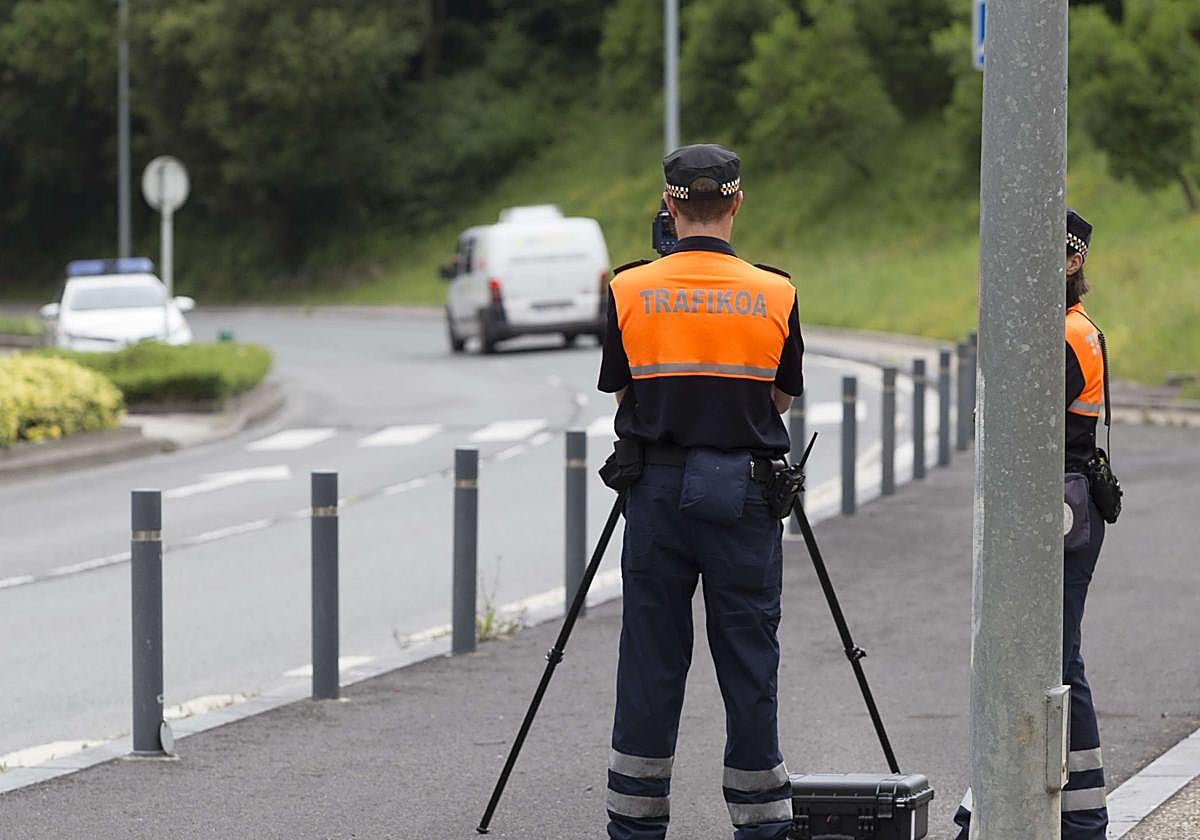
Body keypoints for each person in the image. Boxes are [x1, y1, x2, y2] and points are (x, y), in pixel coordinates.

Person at [597, 144, 805, 840]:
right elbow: (778, 399)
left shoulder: (628, 289)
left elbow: (623, 392)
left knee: (652, 662)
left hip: (655, 493)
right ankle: (762, 826)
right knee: (750, 663)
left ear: (669, 204)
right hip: (744, 498)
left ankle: (635, 826)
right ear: (738, 203)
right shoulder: (776, 292)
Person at [953, 209, 1110, 839]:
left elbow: (1019, 429)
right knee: (1052, 658)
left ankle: (1065, 817)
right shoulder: (1068, 329)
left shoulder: (1062, 335)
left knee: (1047, 660)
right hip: (1062, 506)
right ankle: (1062, 812)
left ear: (1071, 261)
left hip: (1053, 511)